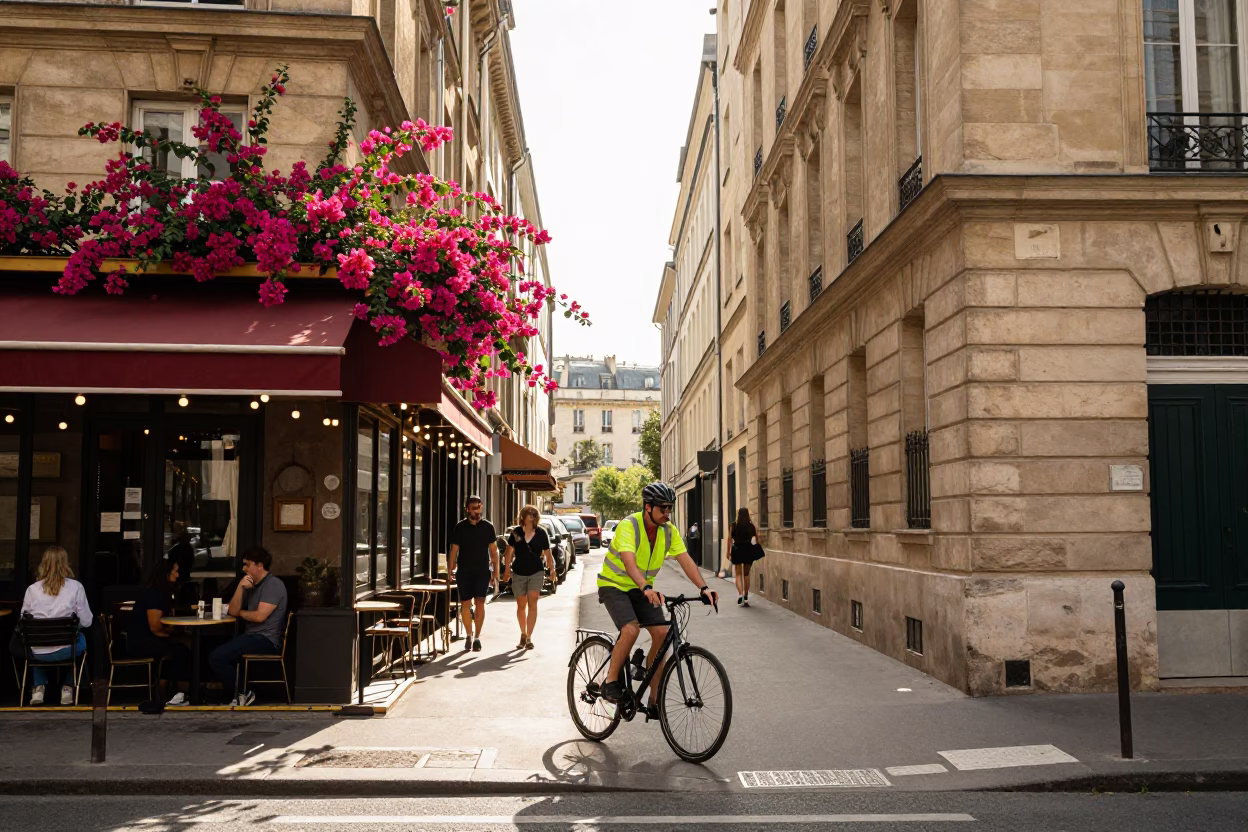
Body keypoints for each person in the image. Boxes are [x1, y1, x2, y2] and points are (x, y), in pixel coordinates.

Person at [597, 482, 716, 712]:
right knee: (631, 629)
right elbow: (629, 562)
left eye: (670, 508)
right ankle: (610, 682)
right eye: (663, 508)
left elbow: (685, 560)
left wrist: (704, 587)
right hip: (614, 586)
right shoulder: (629, 526)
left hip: (642, 589)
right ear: (648, 507)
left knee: (662, 633)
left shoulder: (668, 531)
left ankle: (654, 700)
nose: (667, 513)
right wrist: (645, 587)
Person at [208, 546, 288, 706]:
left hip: (266, 640)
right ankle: (239, 693)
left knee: (218, 656)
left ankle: (242, 693)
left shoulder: (273, 585)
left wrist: (240, 613)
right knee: (215, 652)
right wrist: (239, 587)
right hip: (251, 636)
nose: (244, 569)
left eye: (247, 565)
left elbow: (259, 616)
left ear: (259, 565)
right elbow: (232, 610)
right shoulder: (251, 585)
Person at [20, 546, 93, 705]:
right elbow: (87, 621)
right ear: (65, 564)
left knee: (37, 640)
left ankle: (38, 688)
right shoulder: (75, 587)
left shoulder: (32, 590)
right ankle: (67, 688)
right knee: (78, 639)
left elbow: (23, 620)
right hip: (67, 651)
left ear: (43, 564)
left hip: (36, 654)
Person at [127, 557, 193, 704]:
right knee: (180, 651)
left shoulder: (161, 593)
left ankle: (172, 692)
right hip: (142, 642)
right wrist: (173, 634)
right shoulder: (154, 594)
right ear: (166, 573)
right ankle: (176, 693)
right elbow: (156, 627)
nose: (177, 575)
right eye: (174, 571)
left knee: (181, 647)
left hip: (148, 639)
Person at [502, 505, 558, 651]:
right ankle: (523, 632)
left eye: (534, 515)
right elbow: (508, 553)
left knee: (533, 603)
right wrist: (507, 570)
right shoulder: (517, 533)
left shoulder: (541, 533)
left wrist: (552, 570)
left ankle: (528, 637)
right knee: (521, 605)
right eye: (529, 514)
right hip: (519, 572)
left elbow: (547, 553)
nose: (531, 517)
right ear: (523, 517)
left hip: (536, 572)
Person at [448, 495, 498, 652]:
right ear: (467, 509)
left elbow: (493, 550)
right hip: (464, 571)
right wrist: (450, 568)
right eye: (473, 508)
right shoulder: (460, 527)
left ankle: (477, 637)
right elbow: (454, 550)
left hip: (482, 571)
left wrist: (495, 572)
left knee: (480, 603)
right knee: (465, 604)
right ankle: (468, 635)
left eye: (478, 507)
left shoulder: (488, 527)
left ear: (481, 507)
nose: (476, 510)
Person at [727, 507, 759, 607]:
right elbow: (757, 539)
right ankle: (746, 596)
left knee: (738, 574)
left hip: (737, 550)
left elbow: (729, 539)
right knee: (746, 574)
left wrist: (728, 552)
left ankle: (740, 594)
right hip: (748, 550)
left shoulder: (733, 525)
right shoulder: (751, 526)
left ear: (738, 515)